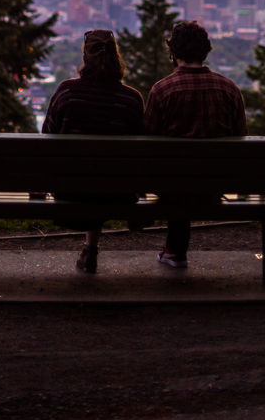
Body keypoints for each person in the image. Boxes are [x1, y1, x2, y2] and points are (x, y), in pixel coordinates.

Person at [144, 19, 246, 269]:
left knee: (178, 177)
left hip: (172, 185)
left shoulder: (162, 90)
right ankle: (174, 250)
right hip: (217, 183)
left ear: (174, 52)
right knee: (187, 177)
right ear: (205, 51)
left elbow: (146, 142)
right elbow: (241, 137)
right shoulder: (229, 89)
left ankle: (174, 250)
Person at [42, 29, 144, 273]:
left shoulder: (66, 93)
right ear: (116, 57)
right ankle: (90, 248)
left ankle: (90, 249)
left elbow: (46, 139)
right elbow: (141, 153)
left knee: (89, 173)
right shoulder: (131, 100)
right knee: (104, 174)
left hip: (70, 191)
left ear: (86, 57)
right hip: (118, 194)